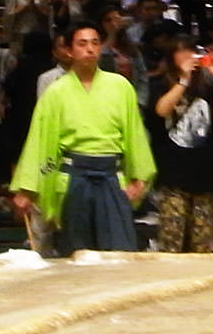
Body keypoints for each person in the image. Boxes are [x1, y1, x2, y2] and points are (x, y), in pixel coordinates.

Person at [10, 21, 156, 256]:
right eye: (82, 43)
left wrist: (139, 177)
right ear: (69, 51)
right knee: (77, 253)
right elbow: (41, 140)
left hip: (112, 176)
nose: (90, 49)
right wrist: (27, 189)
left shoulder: (121, 87)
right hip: (73, 178)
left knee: (120, 252)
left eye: (95, 43)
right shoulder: (56, 92)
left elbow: (135, 135)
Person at [151, 34, 213, 253]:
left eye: (190, 50)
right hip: (174, 170)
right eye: (181, 51)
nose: (187, 56)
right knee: (172, 238)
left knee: (202, 241)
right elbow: (161, 110)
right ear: (172, 56)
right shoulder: (161, 83)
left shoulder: (208, 84)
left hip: (205, 169)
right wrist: (183, 81)